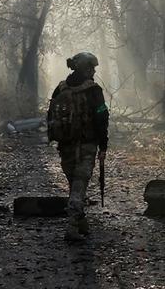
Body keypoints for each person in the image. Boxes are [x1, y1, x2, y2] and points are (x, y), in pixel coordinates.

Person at [46, 52, 109, 242]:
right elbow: (101, 117)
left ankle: (81, 223)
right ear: (85, 68)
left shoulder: (60, 89)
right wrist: (103, 145)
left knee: (75, 185)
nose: (94, 71)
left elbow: (50, 116)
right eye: (92, 68)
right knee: (79, 186)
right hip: (87, 145)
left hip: (65, 146)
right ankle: (72, 228)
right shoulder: (94, 90)